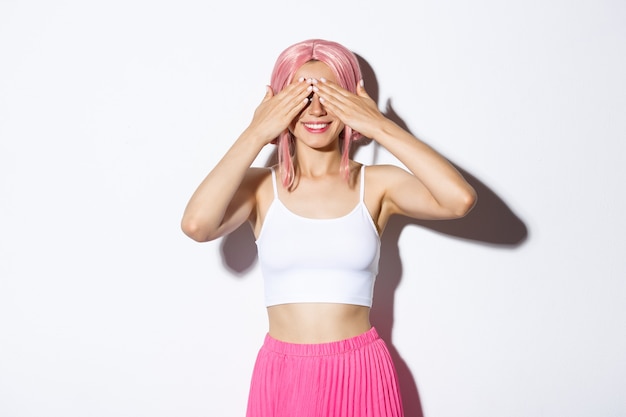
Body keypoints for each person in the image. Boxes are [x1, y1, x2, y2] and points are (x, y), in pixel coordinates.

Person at [181, 39, 477, 417]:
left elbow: (459, 200)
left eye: (329, 94)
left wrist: (379, 125)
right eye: (301, 96)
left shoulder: (377, 185)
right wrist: (256, 132)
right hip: (284, 374)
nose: (316, 109)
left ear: (351, 100)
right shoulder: (260, 188)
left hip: (360, 371)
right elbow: (196, 225)